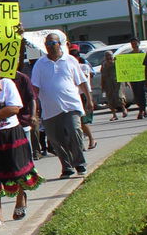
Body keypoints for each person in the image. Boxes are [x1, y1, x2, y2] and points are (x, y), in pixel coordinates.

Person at [0, 67, 42, 225]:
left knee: (16, 170)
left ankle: (20, 200)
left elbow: (14, 108)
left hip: (10, 133)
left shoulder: (7, 84)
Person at [30, 32, 92, 178]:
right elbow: (35, 88)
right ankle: (67, 167)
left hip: (71, 106)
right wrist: (35, 108)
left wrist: (89, 99)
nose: (51, 47)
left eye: (53, 43)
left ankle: (80, 164)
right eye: (48, 44)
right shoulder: (40, 64)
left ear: (60, 44)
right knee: (56, 140)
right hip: (50, 110)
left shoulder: (70, 60)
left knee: (74, 131)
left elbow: (81, 81)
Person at [68, 44, 97, 150]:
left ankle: (91, 139)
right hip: (74, 95)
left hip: (83, 94)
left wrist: (90, 99)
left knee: (83, 120)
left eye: (75, 56)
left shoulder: (83, 67)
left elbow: (82, 80)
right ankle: (80, 144)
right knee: (76, 122)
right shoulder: (70, 67)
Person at [118, 37, 147, 119]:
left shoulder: (143, 54)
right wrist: (117, 60)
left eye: (135, 43)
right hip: (134, 78)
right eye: (132, 44)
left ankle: (142, 110)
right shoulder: (130, 55)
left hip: (142, 78)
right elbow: (125, 65)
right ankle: (143, 108)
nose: (134, 45)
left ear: (139, 43)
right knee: (136, 94)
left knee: (143, 93)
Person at [99, 50, 123, 120]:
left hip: (117, 83)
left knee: (119, 96)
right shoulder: (103, 65)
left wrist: (126, 82)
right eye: (106, 55)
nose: (108, 57)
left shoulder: (116, 62)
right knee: (110, 99)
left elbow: (122, 72)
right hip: (108, 84)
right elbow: (102, 76)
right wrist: (102, 86)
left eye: (110, 55)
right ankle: (114, 115)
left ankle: (124, 109)